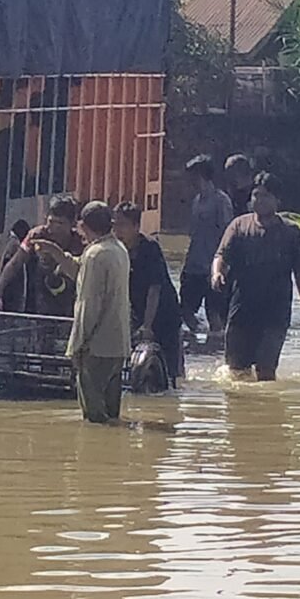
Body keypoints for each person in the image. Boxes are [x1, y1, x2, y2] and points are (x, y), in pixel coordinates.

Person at [211, 172, 300, 382]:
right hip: (242, 308)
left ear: (277, 200)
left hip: (275, 311)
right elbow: (221, 255)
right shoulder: (239, 226)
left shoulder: (290, 232)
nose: (259, 200)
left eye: (265, 196)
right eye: (256, 195)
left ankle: (266, 410)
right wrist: (217, 273)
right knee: (236, 371)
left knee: (266, 371)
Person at [57, 201, 131, 424]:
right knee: (112, 414)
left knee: (94, 419)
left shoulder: (95, 255)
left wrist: (78, 345)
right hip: (117, 345)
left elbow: (88, 306)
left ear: (83, 226)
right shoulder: (118, 249)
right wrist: (58, 254)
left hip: (96, 347)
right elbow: (80, 270)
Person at [112, 202, 181, 361]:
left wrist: (147, 325)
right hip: (138, 313)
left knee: (171, 369)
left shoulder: (150, 248)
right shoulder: (116, 250)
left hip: (164, 315)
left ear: (136, 227)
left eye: (123, 225)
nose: (117, 231)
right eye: (114, 225)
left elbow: (154, 289)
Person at [0, 196, 83, 316]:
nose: (54, 228)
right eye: (51, 222)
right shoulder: (36, 235)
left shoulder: (80, 242)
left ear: (72, 223)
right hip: (40, 299)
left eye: (60, 223)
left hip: (70, 300)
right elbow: (16, 263)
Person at [180, 155, 234, 335]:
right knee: (185, 311)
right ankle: (200, 343)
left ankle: (216, 350)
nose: (188, 182)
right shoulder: (196, 201)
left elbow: (228, 235)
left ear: (201, 175)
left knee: (214, 314)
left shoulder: (221, 200)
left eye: (192, 177)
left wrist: (223, 266)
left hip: (213, 266)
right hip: (193, 265)